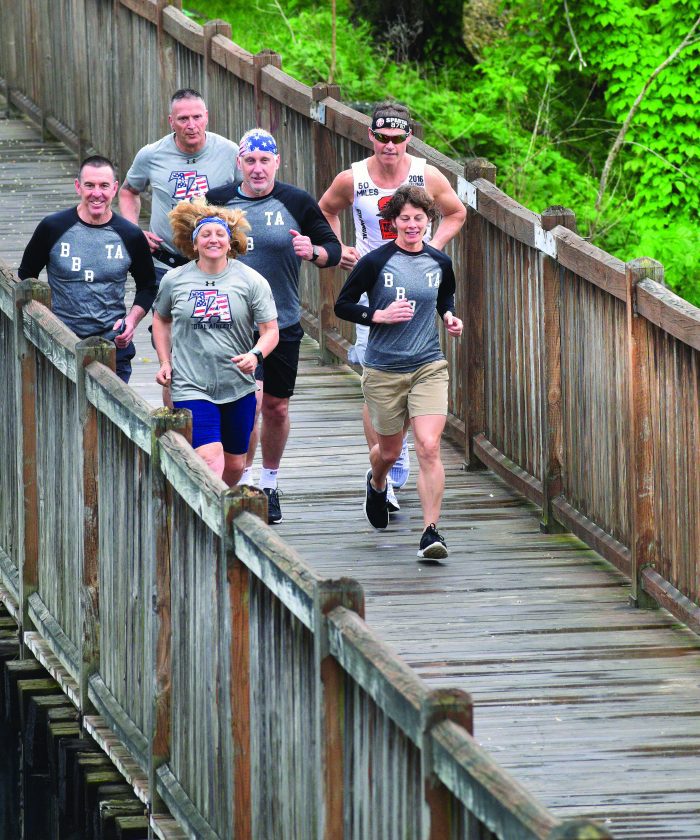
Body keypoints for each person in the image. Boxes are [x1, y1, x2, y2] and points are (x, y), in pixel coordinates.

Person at [319, 101, 466, 513]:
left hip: (418, 283)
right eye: (382, 137)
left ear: (408, 138)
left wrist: (431, 249)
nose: (389, 145)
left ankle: (395, 464)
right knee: (375, 372)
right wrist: (339, 248)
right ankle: (391, 468)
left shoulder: (426, 175)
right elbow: (326, 209)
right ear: (371, 136)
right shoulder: (353, 178)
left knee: (417, 363)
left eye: (397, 138)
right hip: (373, 286)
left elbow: (457, 213)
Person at [206, 128, 341, 524]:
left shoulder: (296, 201)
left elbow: (333, 250)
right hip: (232, 324)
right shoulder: (217, 201)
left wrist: (312, 251)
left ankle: (269, 482)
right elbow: (191, 247)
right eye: (250, 160)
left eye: (265, 160)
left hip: (281, 322)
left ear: (277, 162)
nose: (257, 168)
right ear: (239, 163)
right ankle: (245, 482)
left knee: (276, 408)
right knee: (249, 404)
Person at [334, 185, 463, 561]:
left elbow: (445, 296)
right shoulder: (375, 262)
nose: (412, 225)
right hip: (384, 369)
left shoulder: (439, 261)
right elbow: (343, 305)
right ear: (392, 222)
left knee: (428, 446)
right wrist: (378, 315)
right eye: (404, 218)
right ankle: (376, 482)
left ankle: (430, 532)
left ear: (428, 221)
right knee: (389, 453)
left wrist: (449, 316)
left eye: (418, 218)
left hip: (428, 365)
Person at [119, 88, 239, 404]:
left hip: (216, 263)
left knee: (212, 338)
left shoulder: (229, 152)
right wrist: (133, 231)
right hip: (166, 263)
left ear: (207, 117)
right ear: (171, 121)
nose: (191, 125)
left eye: (197, 117)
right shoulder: (151, 155)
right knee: (172, 347)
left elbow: (249, 194)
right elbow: (128, 191)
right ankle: (176, 423)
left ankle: (215, 409)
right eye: (183, 119)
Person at [152, 199, 278, 487]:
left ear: (230, 241)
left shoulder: (251, 280)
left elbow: (270, 330)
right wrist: (164, 361)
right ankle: (204, 511)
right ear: (194, 243)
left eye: (220, 234)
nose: (213, 240)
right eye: (205, 234)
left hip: (237, 385)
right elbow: (160, 319)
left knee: (234, 465)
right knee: (209, 458)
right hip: (191, 384)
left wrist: (255, 355)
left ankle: (216, 509)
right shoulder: (175, 280)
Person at [18, 155, 156, 383]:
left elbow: (148, 286)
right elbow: (25, 277)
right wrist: (43, 320)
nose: (97, 193)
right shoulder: (53, 227)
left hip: (111, 346)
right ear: (78, 186)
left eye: (104, 186)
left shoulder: (130, 235)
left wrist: (131, 321)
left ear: (114, 189)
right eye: (89, 185)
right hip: (59, 343)